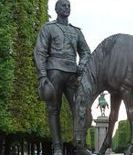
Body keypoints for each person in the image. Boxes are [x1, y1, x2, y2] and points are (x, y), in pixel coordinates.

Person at [33, 0, 91, 154]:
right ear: (57, 9)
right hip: (54, 71)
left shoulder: (76, 31)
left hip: (72, 73)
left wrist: (82, 65)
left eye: (69, 6)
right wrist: (42, 75)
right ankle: (57, 147)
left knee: (79, 110)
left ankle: (80, 146)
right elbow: (40, 51)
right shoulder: (48, 28)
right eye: (64, 6)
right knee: (53, 110)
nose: (67, 8)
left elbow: (85, 51)